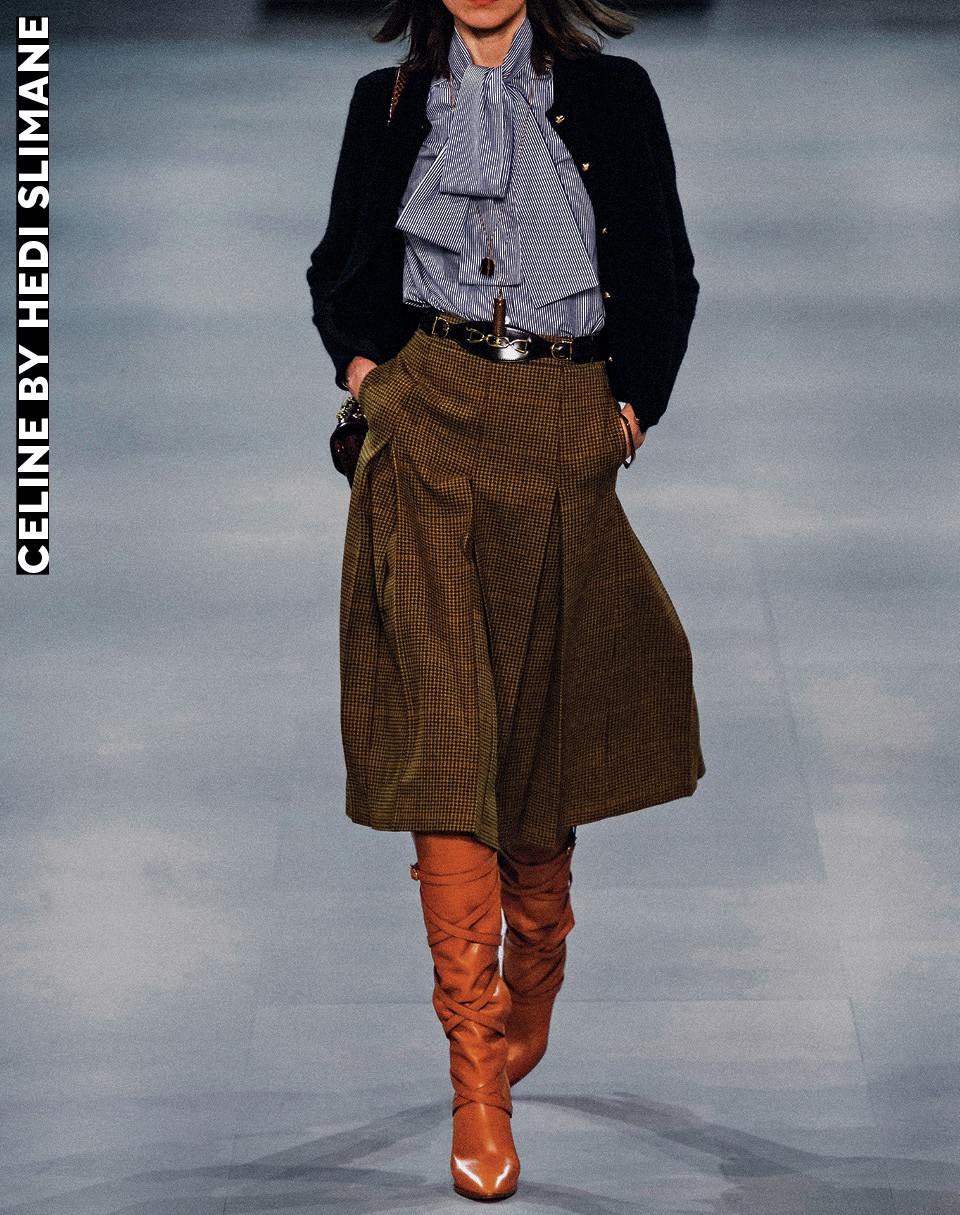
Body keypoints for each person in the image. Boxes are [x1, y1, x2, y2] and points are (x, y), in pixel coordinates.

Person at [306, 0, 705, 1201]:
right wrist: (368, 377)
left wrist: (629, 411)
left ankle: (539, 950)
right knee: (444, 736)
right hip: (428, 425)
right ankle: (475, 1069)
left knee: (532, 738)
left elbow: (663, 266)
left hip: (559, 426)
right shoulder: (387, 104)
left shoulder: (614, 98)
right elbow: (341, 265)